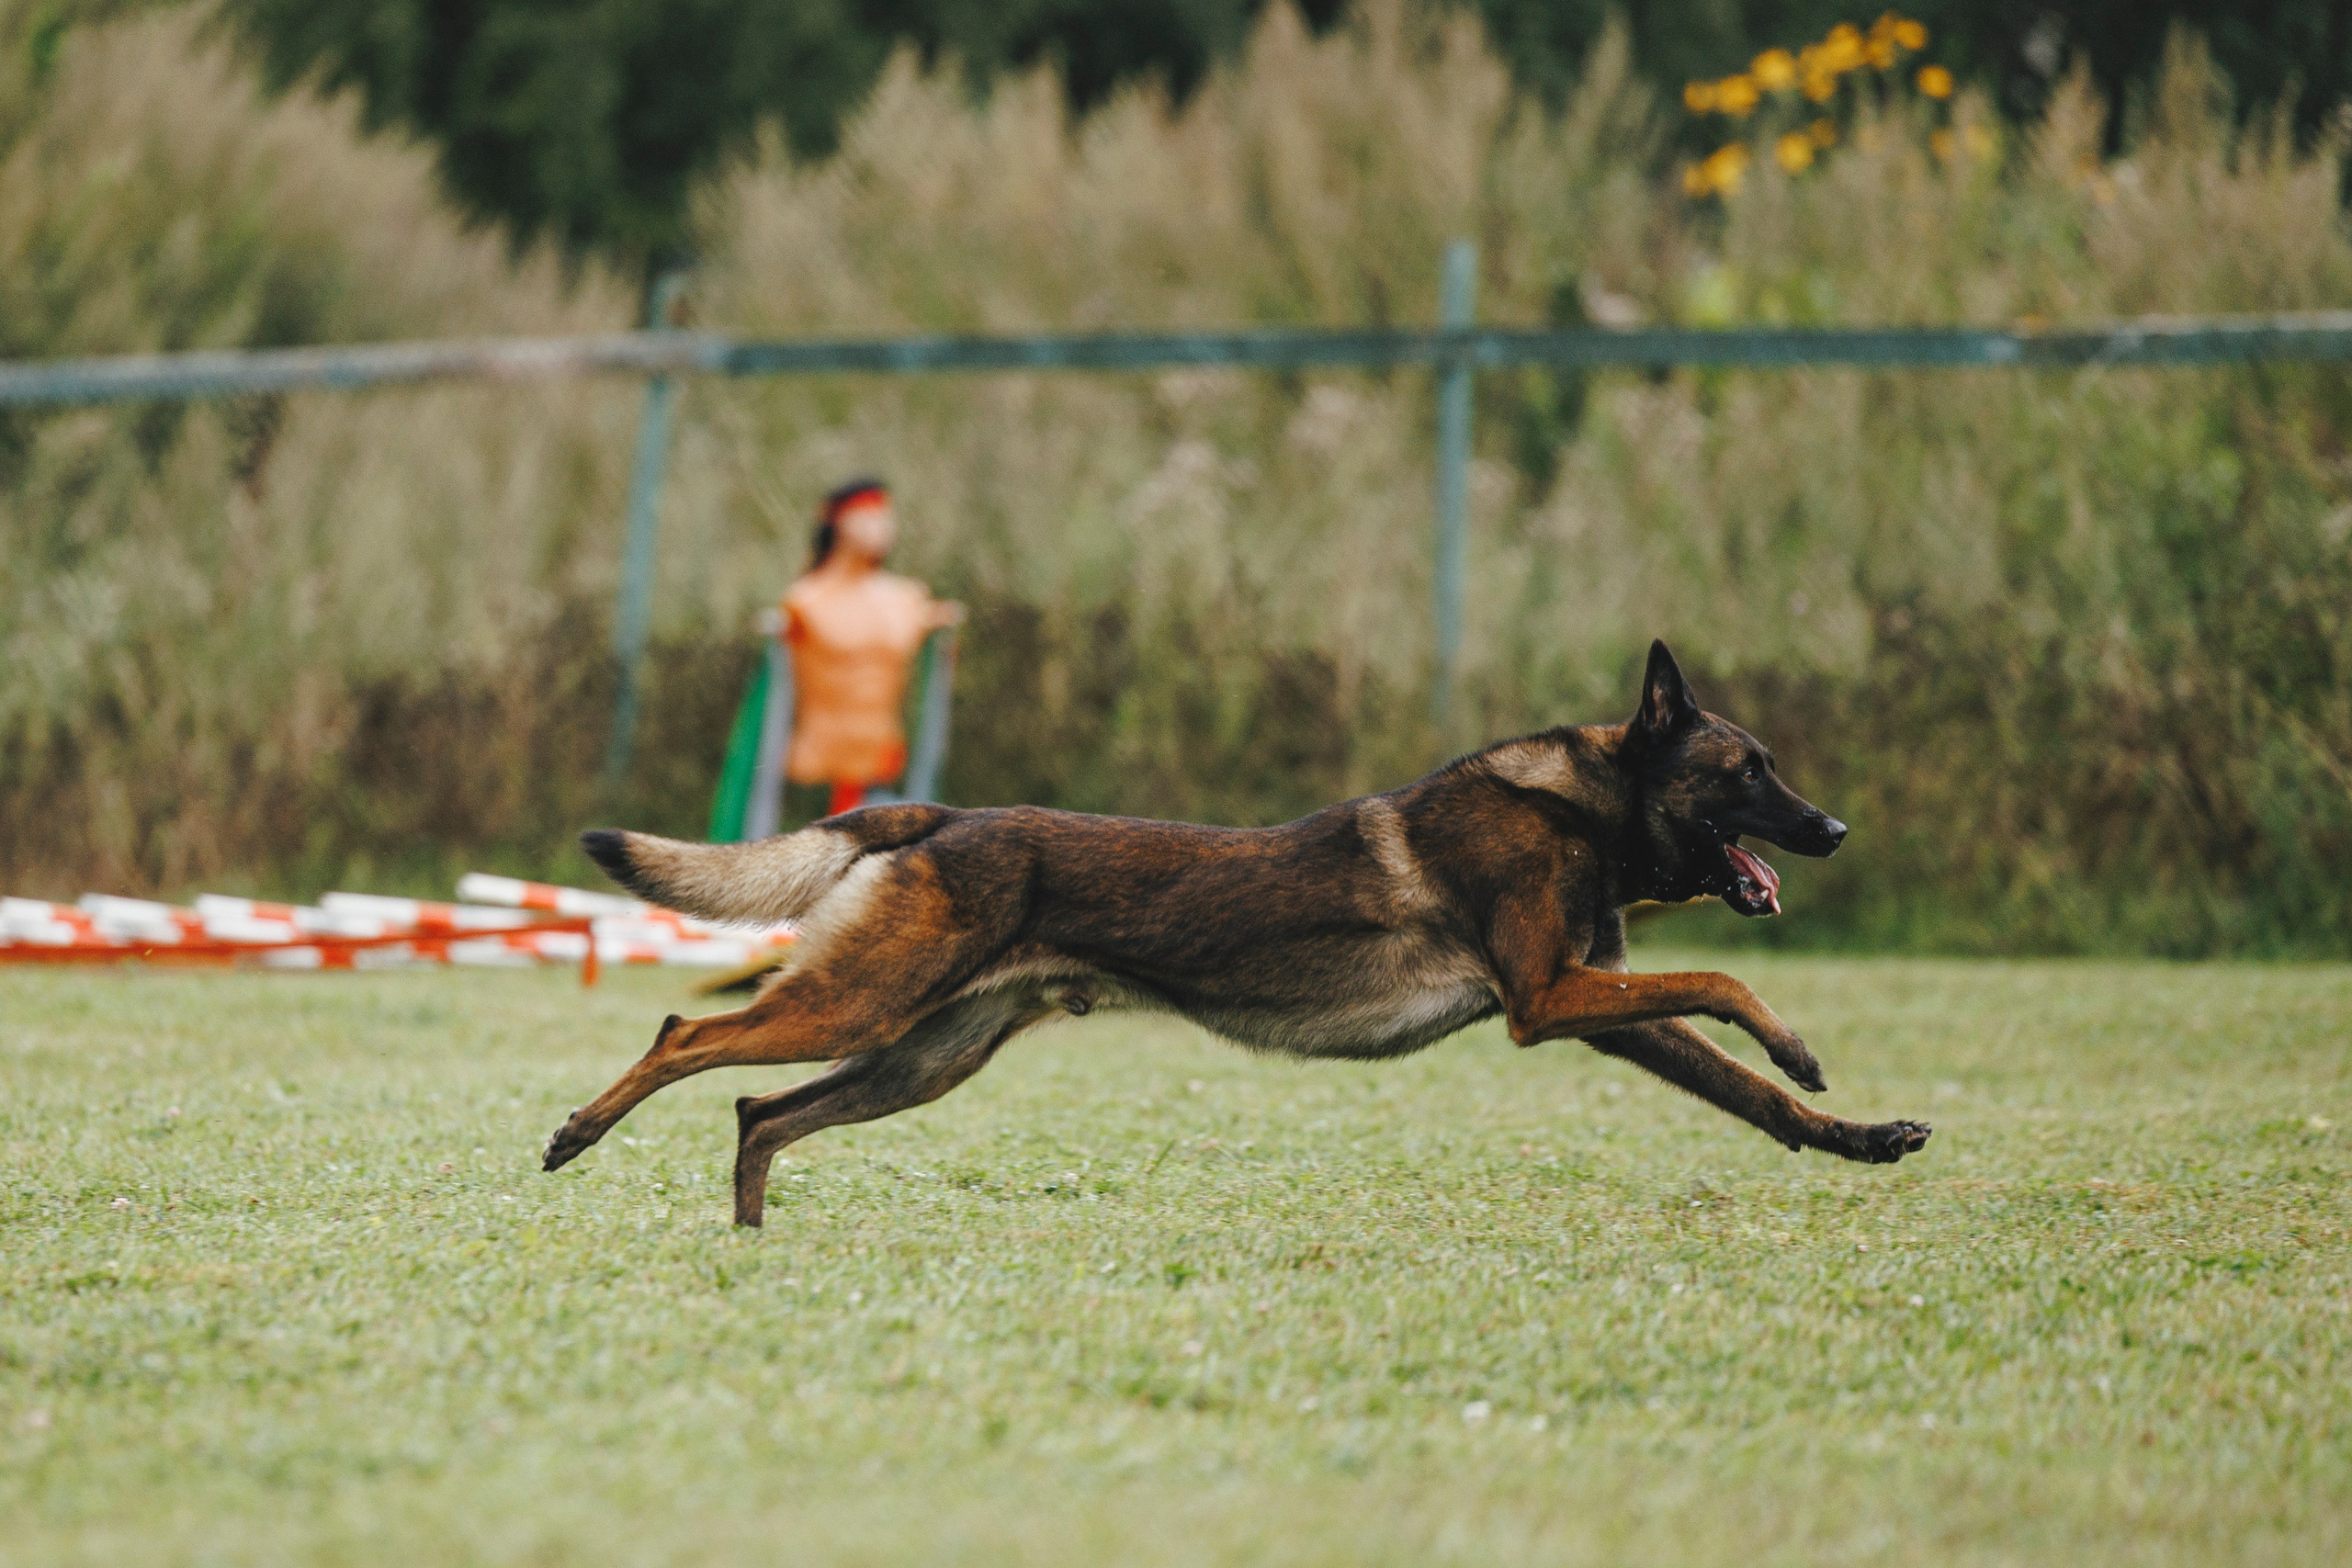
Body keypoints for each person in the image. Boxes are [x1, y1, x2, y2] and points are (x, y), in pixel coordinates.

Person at [778, 478, 963, 819]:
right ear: (837, 522)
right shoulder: (805, 600)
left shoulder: (907, 599)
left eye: (884, 516)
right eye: (865, 517)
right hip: (819, 764)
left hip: (884, 762)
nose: (879, 528)